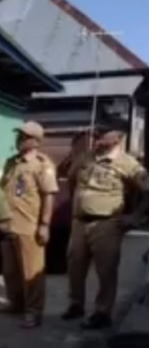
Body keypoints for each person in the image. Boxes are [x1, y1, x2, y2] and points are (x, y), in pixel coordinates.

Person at [62, 124, 149, 329]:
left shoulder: (128, 163)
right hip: (79, 223)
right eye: (99, 133)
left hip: (107, 224)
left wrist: (135, 217)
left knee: (106, 270)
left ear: (117, 139)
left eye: (104, 134)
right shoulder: (86, 156)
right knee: (75, 267)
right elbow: (72, 180)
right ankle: (76, 305)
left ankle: (103, 312)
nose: (99, 137)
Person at [0, 121, 58, 328]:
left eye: (23, 137)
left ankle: (33, 311)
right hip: (8, 225)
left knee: (31, 272)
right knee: (10, 271)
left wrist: (44, 224)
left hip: (29, 226)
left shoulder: (43, 165)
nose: (19, 140)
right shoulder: (12, 163)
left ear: (34, 141)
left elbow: (49, 196)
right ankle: (15, 303)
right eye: (19, 136)